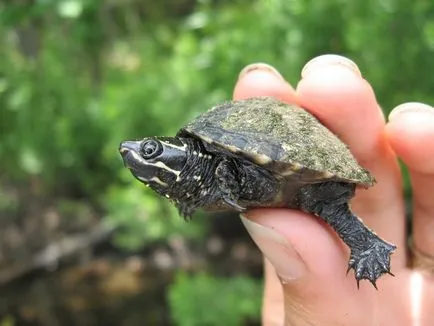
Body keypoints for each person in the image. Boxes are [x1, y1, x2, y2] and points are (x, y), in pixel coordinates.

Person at [234, 55, 434, 326]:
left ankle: (370, 245)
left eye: (152, 150)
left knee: (326, 203)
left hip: (309, 173)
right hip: (287, 175)